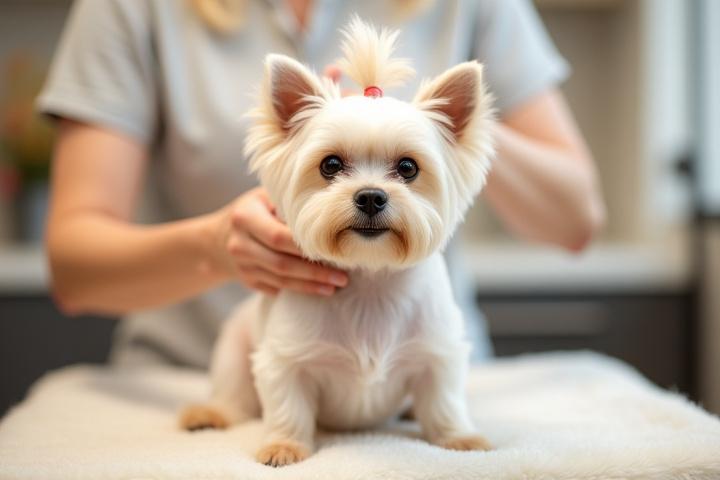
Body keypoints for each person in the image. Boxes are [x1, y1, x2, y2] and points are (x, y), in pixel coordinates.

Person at [38, 0, 605, 367]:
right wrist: (213, 249)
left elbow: (576, 221)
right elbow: (72, 269)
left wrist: (438, 133)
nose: (369, 188)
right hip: (196, 387)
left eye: (402, 171)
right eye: (335, 167)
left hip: (419, 393)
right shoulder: (130, 9)